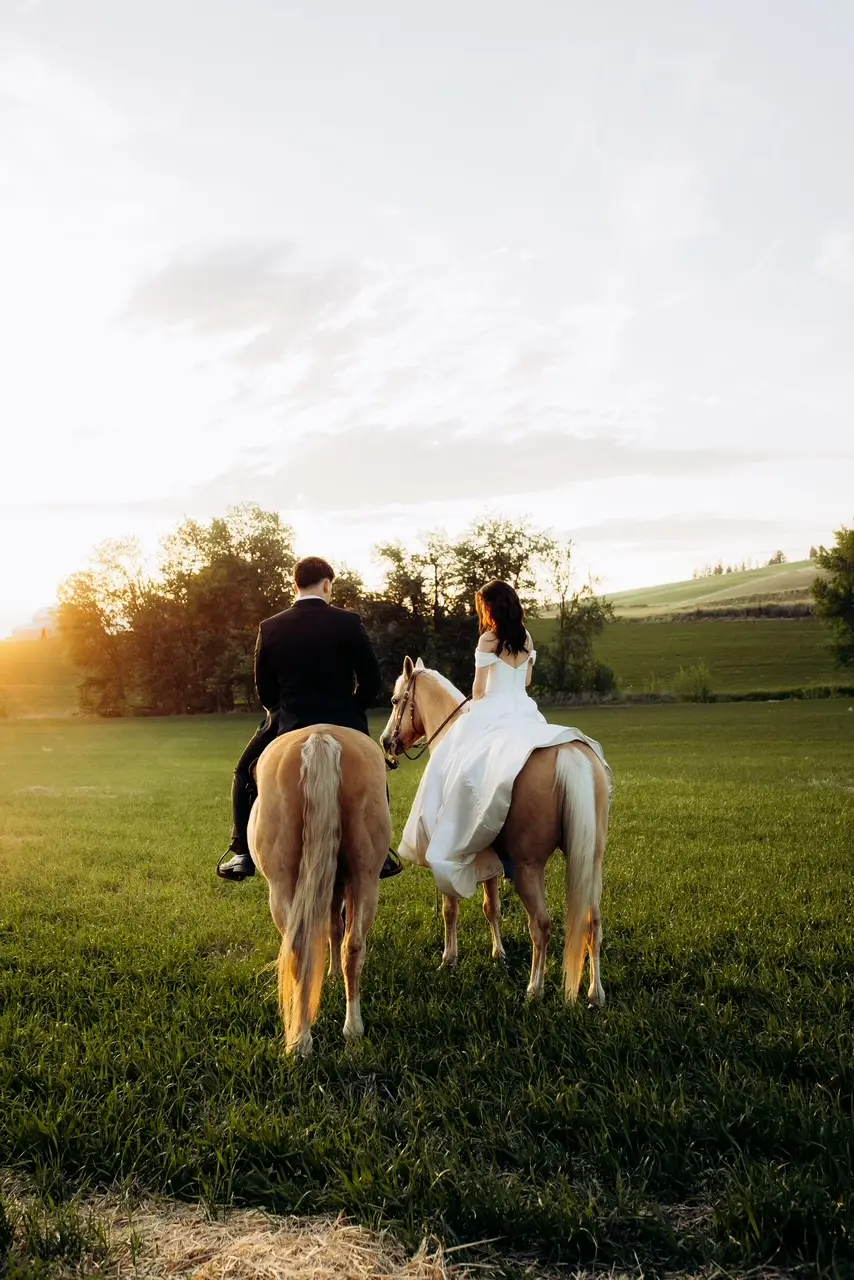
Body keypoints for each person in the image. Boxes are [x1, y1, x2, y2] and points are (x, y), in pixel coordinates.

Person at [399, 579, 612, 898]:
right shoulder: (526, 639)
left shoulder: (487, 639)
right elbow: (526, 680)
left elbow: (478, 691)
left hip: (493, 709)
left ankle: (458, 838)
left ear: (490, 607)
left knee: (450, 764)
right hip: (524, 710)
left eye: (482, 607)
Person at [217, 555, 402, 881]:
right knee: (373, 768)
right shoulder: (349, 622)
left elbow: (264, 690)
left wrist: (284, 711)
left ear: (295, 585)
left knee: (244, 772)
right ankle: (382, 854)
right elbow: (371, 680)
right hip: (344, 718)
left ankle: (242, 852)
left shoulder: (270, 626)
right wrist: (351, 708)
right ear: (327, 584)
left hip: (290, 719)